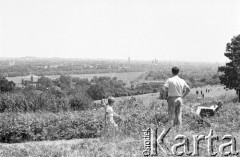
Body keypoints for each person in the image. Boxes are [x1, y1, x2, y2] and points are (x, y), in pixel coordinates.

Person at [163, 67, 191, 131]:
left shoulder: (169, 80)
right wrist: (182, 97)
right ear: (178, 72)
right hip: (179, 98)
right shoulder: (182, 80)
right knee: (179, 115)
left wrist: (165, 97)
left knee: (171, 116)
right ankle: (179, 131)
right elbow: (188, 89)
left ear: (172, 72)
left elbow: (165, 89)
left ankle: (170, 131)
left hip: (172, 99)